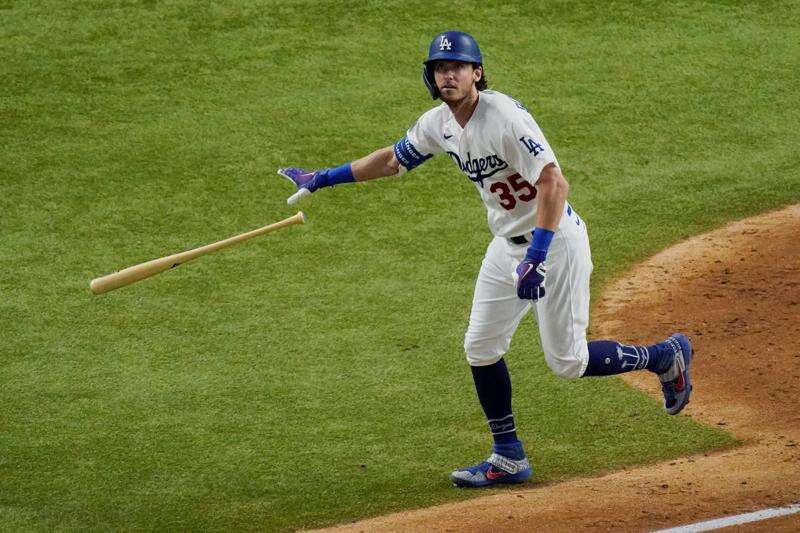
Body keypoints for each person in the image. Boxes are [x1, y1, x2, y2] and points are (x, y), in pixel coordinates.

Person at [278, 30, 693, 488]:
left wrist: (536, 256)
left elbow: (554, 183)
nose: (448, 75)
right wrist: (323, 178)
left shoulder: (505, 118)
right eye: (440, 68)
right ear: (430, 77)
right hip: (506, 249)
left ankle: (663, 356)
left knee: (567, 363)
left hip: (553, 244)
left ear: (477, 73)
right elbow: (393, 161)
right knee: (480, 347)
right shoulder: (439, 123)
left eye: (457, 67)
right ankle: (509, 456)